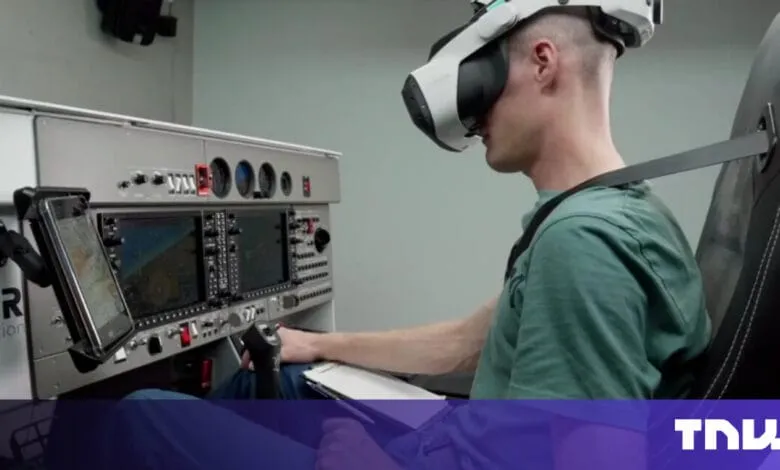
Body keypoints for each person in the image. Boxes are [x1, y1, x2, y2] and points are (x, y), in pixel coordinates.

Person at [65, 6, 711, 470]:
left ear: (543, 63)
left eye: (484, 76)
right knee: (293, 377)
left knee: (148, 411)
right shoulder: (602, 213)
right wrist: (316, 342)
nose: (477, 114)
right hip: (449, 444)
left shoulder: (585, 244)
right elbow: (468, 341)